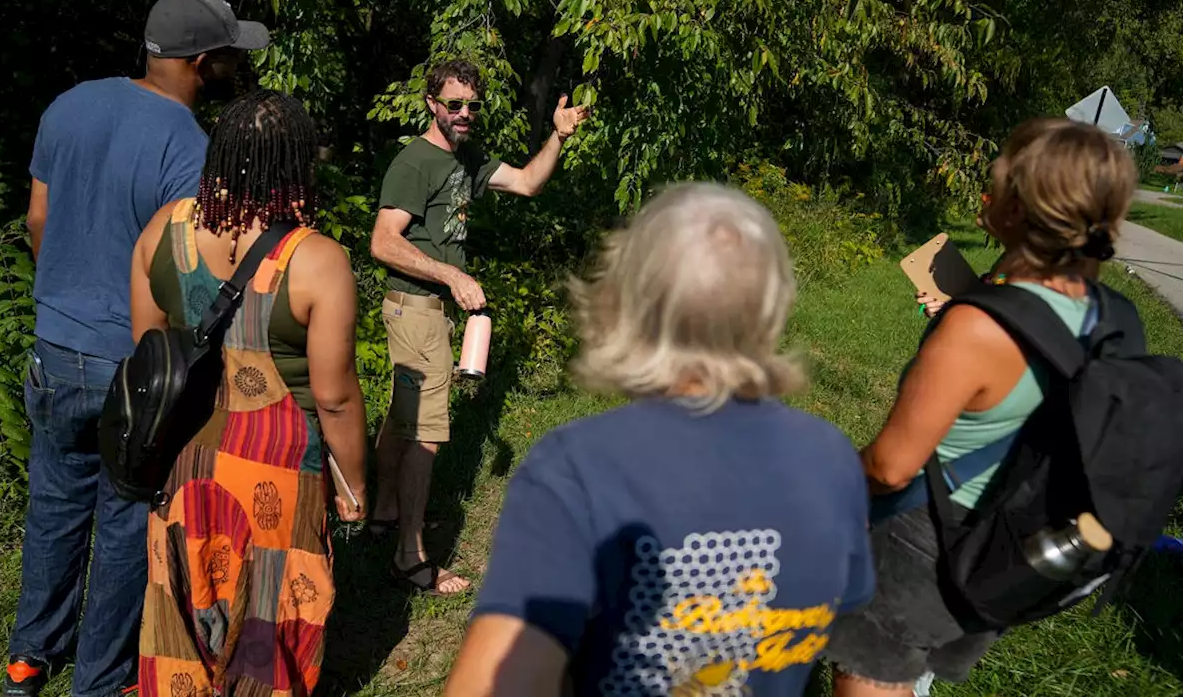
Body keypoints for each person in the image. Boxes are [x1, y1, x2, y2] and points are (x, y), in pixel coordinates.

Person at [444, 183, 876, 696]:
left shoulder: (578, 469)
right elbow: (867, 659)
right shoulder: (831, 460)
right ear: (771, 306)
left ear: (627, 301)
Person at [6, 0, 269, 697]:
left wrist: (67, 296)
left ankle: (28, 660)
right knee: (126, 521)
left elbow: (38, 217)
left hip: (54, 348)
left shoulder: (69, 105)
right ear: (204, 60)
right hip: (134, 366)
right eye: (226, 56)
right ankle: (98, 681)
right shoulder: (191, 148)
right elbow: (184, 274)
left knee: (55, 506)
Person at [824, 118, 1138, 697]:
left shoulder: (978, 329)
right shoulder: (1113, 316)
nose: (985, 194)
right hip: (1009, 546)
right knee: (912, 671)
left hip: (929, 540)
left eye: (997, 182)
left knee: (871, 677)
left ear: (1017, 208)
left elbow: (891, 466)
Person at [128, 89, 368, 695]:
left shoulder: (165, 230)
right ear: (296, 165)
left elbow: (150, 360)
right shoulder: (317, 261)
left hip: (184, 465)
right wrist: (355, 484)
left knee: (180, 620)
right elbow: (335, 397)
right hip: (279, 479)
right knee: (268, 627)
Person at [368, 58, 591, 595]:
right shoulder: (414, 163)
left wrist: (558, 137)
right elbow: (383, 242)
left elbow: (529, 183)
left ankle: (381, 514)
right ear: (431, 104)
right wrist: (451, 274)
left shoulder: (467, 160)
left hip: (428, 310)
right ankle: (411, 557)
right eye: (454, 104)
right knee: (427, 434)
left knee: (404, 418)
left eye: (472, 105)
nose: (464, 113)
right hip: (415, 307)